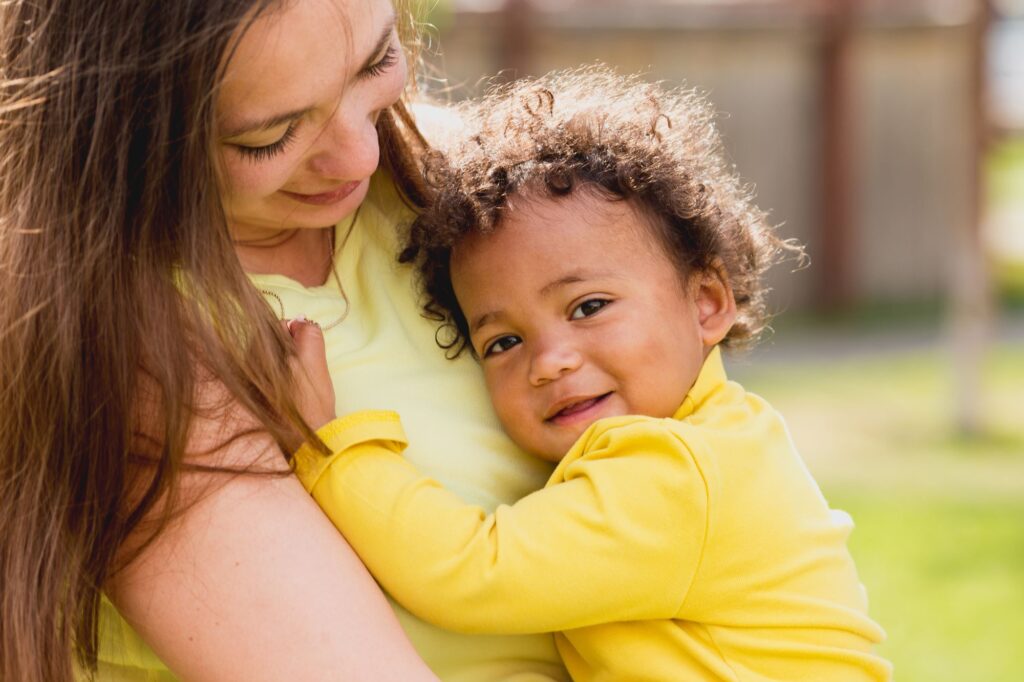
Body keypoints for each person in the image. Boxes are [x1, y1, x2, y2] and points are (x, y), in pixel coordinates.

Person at [0, 0, 568, 680]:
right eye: (268, 138)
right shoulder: (133, 356)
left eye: (376, 61)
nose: (361, 153)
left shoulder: (477, 183)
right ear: (123, 133)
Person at [288, 69, 893, 681]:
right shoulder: (719, 438)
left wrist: (334, 446)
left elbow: (475, 573)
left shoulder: (677, 473)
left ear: (707, 301)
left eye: (589, 307)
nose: (550, 361)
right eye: (504, 341)